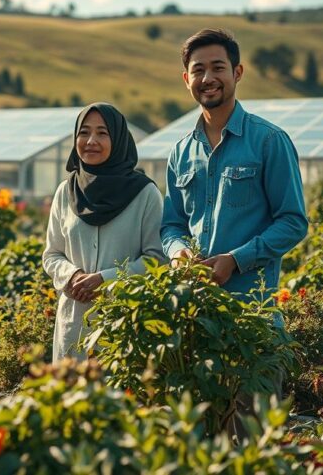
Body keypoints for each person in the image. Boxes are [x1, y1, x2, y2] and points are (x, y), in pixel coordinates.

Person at [160, 29, 308, 432]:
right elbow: (171, 223)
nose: (208, 77)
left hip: (253, 327)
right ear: (185, 79)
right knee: (200, 445)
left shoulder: (268, 141)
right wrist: (177, 253)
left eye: (218, 68)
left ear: (238, 72)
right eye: (198, 70)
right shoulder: (180, 152)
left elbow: (294, 222)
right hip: (196, 324)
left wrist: (235, 260)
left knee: (252, 443)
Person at [43, 103, 165, 363]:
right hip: (73, 327)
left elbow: (156, 260)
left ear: (119, 139)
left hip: (124, 329)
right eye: (84, 132)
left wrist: (105, 279)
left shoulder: (145, 194)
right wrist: (72, 275)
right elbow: (52, 255)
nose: (91, 141)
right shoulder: (66, 192)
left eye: (102, 133)